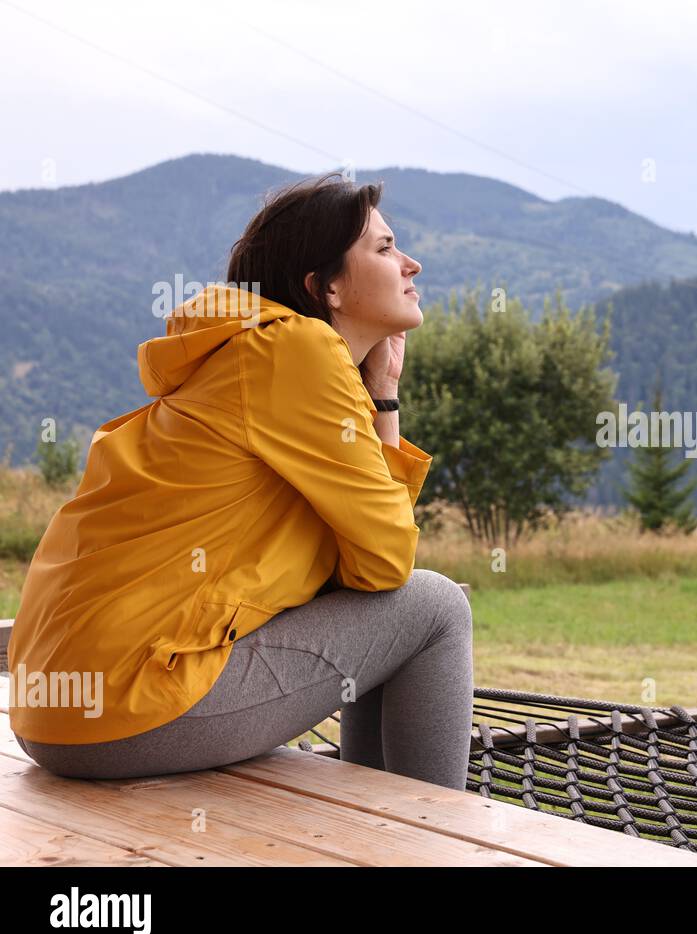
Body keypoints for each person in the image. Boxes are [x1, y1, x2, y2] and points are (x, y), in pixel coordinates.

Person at [6, 172, 474, 790]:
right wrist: (383, 398)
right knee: (436, 606)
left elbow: (359, 571)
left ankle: (387, 834)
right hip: (128, 707)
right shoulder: (298, 350)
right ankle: (431, 841)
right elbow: (387, 564)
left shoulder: (247, 354)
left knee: (403, 608)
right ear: (325, 286)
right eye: (385, 249)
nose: (412, 263)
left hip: (56, 708)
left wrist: (380, 393)